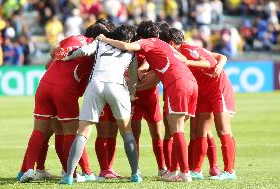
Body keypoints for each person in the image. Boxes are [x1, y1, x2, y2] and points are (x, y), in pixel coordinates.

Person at [96, 20, 210, 182]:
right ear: (156, 34)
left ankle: (184, 173)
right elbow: (171, 64)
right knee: (177, 129)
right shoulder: (165, 46)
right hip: (191, 83)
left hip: (177, 83)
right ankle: (173, 171)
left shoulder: (147, 42)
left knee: (176, 130)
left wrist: (104, 39)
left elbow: (127, 47)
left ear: (141, 35)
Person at [17, 19, 115, 183]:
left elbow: (50, 60)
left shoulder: (73, 37)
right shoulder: (96, 51)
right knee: (72, 132)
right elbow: (83, 84)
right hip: (65, 89)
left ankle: (26, 170)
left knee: (40, 131)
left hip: (45, 84)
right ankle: (77, 173)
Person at [60, 24, 141, 185]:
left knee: (82, 133)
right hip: (117, 86)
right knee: (127, 133)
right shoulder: (131, 51)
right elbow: (133, 77)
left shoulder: (101, 42)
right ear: (130, 38)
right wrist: (131, 95)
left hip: (95, 85)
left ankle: (69, 176)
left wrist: (69, 56)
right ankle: (135, 174)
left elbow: (84, 51)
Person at [167, 28, 236, 180]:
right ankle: (197, 170)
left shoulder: (188, 50)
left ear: (171, 43)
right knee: (201, 131)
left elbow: (209, 62)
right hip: (203, 92)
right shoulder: (184, 50)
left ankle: (230, 171)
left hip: (218, 89)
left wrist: (187, 61)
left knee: (223, 130)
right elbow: (219, 56)